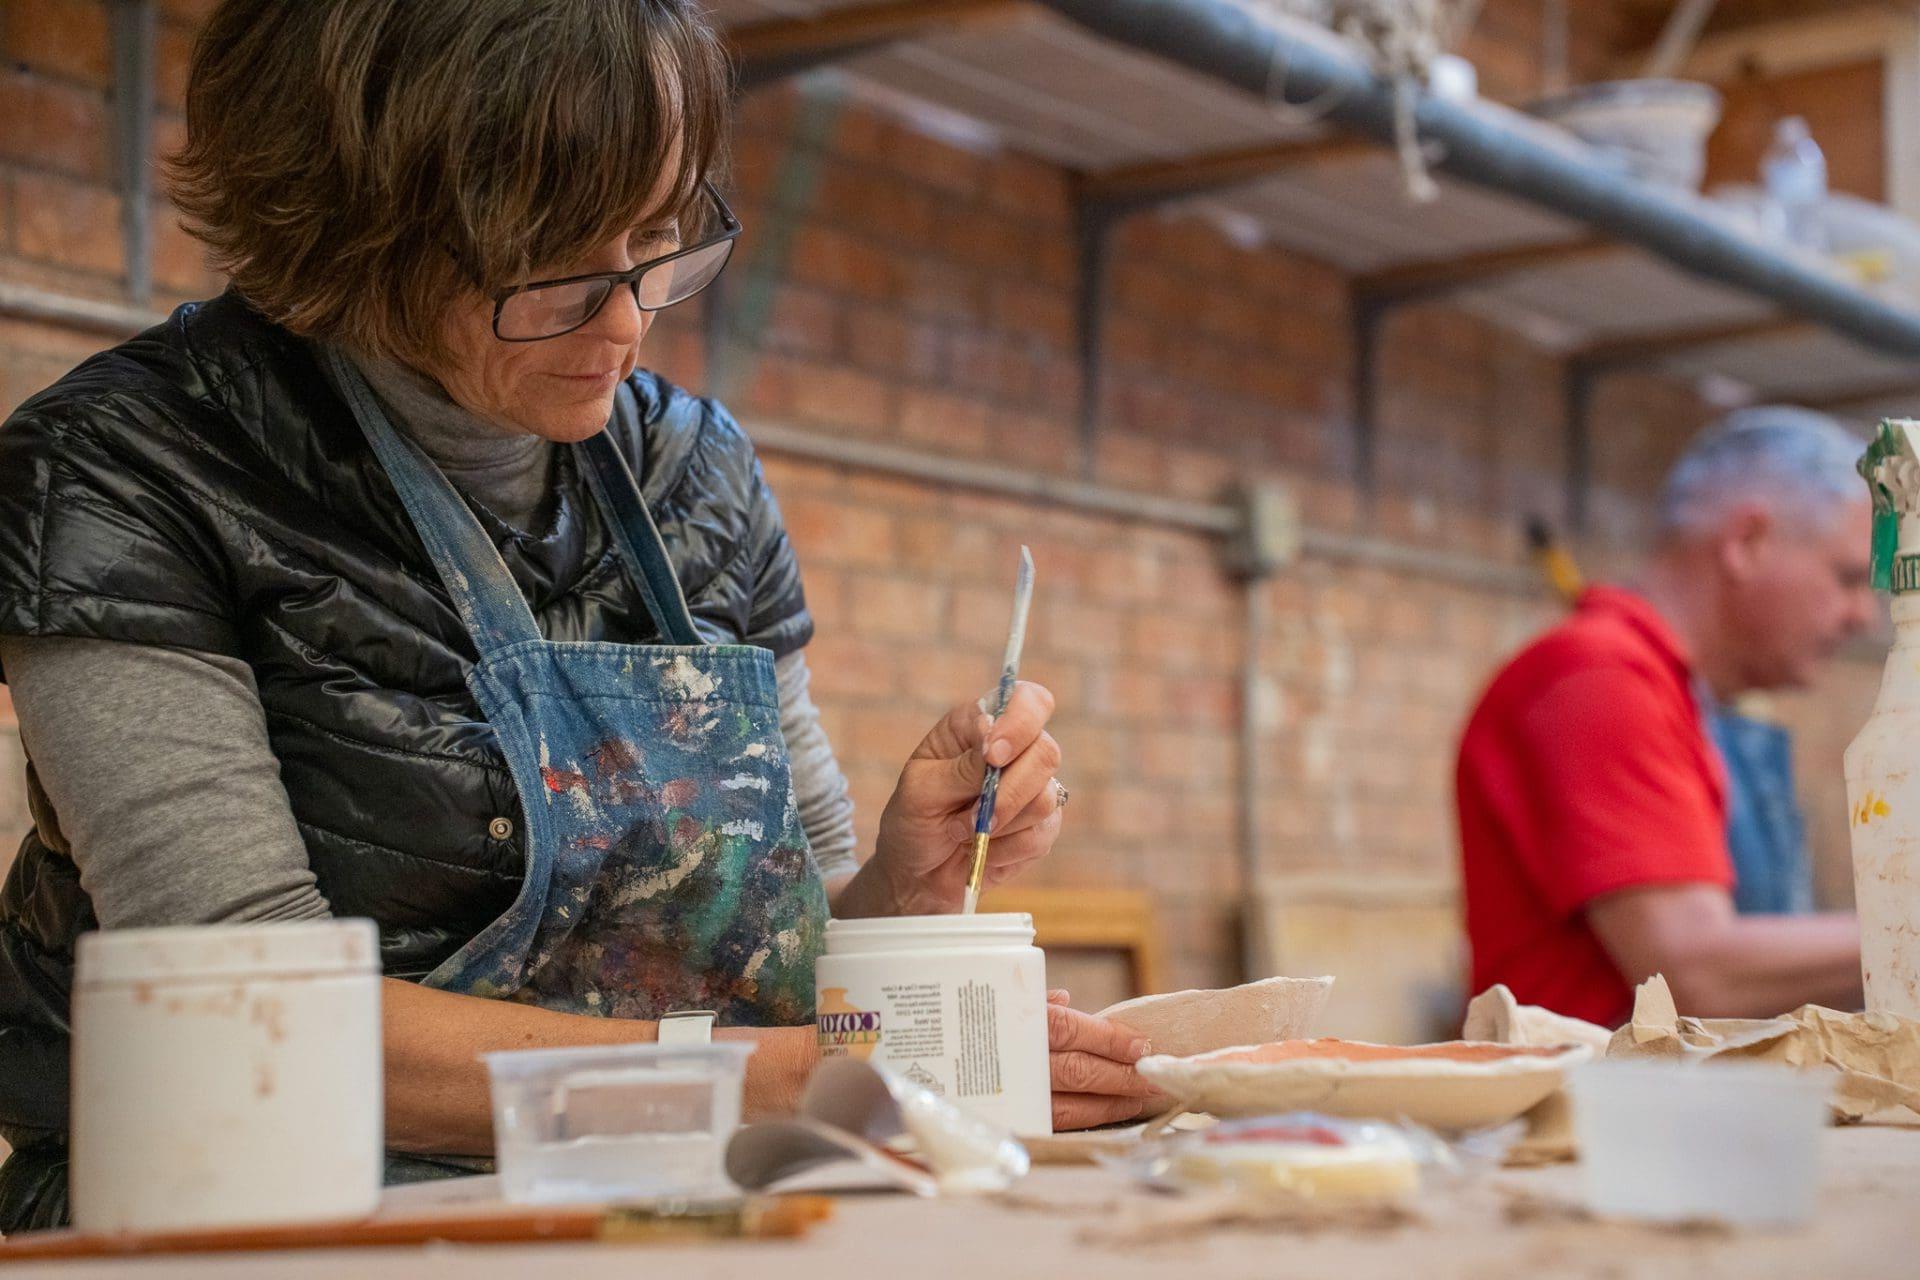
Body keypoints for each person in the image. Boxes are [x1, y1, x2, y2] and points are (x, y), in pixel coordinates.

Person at [0, 0, 1156, 1230]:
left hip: (656, 1201)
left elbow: (796, 963)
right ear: (356, 219)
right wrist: (762, 1078)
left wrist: (902, 887)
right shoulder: (129, 475)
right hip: (264, 1223)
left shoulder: (695, 476)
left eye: (657, 237)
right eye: (554, 262)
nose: (627, 318)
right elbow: (250, 1011)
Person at [1456, 406, 1875, 1028]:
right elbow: (1696, 972)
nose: (1862, 615)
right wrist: (1904, 930)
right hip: (1593, 1113)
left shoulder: (1681, 696)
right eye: (1846, 578)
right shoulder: (1600, 678)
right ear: (1747, 543)